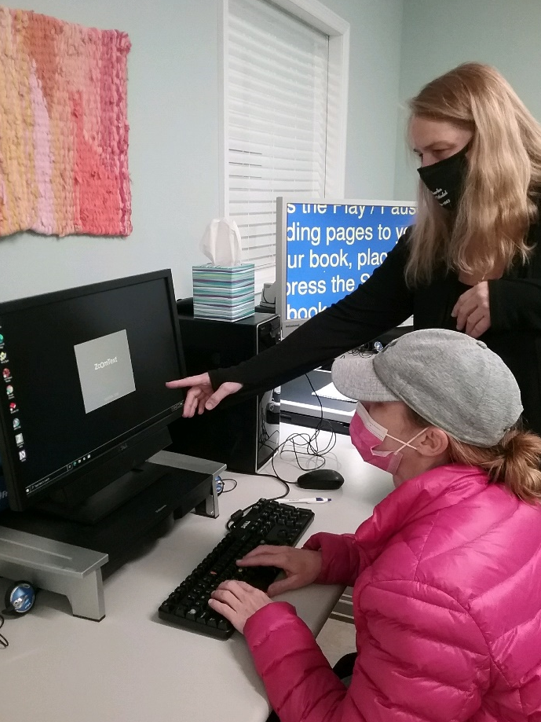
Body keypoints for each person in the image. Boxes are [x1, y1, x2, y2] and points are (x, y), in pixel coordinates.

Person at [167, 62, 541, 435]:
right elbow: (348, 321)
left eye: (441, 153)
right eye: (419, 155)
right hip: (455, 455)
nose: (427, 171)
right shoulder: (431, 243)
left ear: (493, 144)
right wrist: (239, 377)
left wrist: (512, 299)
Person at [208, 329, 541, 722]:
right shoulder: (508, 489)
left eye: (374, 403)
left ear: (431, 441)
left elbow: (431, 587)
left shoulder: (424, 592)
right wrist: (331, 561)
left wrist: (268, 625)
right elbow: (445, 565)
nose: (360, 414)